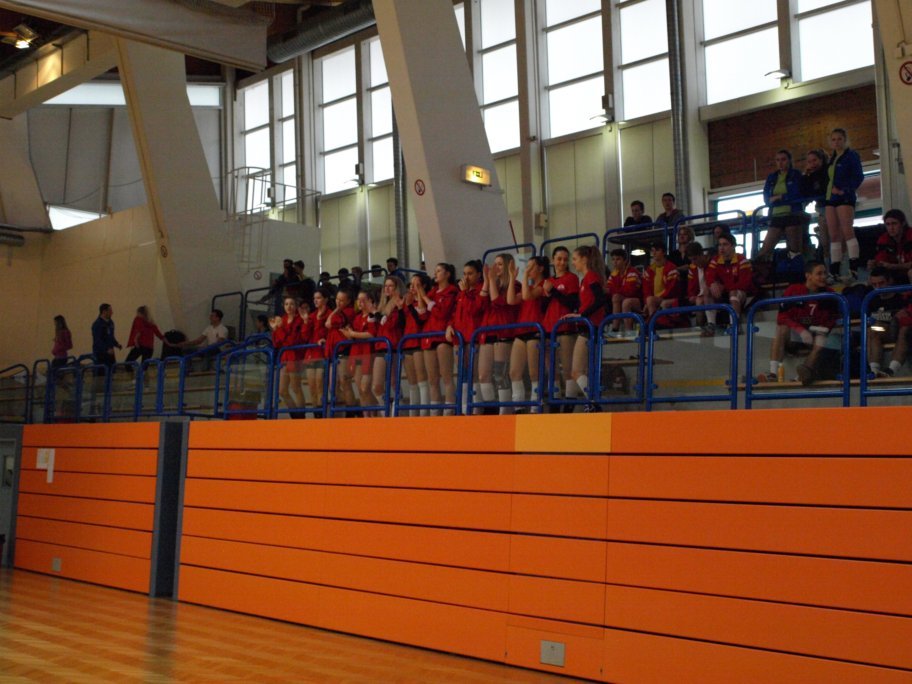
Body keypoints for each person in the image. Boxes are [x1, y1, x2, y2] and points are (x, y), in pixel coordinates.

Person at [758, 260, 840, 385]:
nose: (823, 276)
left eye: (825, 273)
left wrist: (821, 330)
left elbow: (832, 319)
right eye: (819, 274)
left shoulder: (831, 295)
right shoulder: (793, 290)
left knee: (821, 340)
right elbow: (782, 317)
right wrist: (801, 330)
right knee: (781, 329)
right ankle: (773, 374)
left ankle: (802, 374)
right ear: (808, 275)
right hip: (796, 337)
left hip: (816, 337)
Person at [563, 246, 607, 408]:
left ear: (584, 259)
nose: (573, 263)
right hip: (588, 326)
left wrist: (582, 315)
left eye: (575, 259)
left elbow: (600, 300)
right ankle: (592, 403)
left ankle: (594, 402)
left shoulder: (591, 277)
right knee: (583, 371)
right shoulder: (586, 279)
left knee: (577, 371)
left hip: (590, 327)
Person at [478, 254, 520, 412]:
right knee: (483, 375)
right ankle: (490, 410)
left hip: (503, 332)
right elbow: (480, 305)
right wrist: (487, 281)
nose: (496, 268)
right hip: (487, 332)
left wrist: (491, 280)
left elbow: (498, 302)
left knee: (500, 375)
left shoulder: (514, 285)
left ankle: (505, 411)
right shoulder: (491, 284)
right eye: (495, 264)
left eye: (500, 264)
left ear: (509, 266)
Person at [507, 256, 549, 412]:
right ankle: (518, 405)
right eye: (527, 267)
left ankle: (535, 406)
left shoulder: (544, 285)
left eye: (531, 267)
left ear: (540, 268)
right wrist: (512, 278)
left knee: (534, 372)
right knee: (514, 372)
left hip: (535, 331)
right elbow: (511, 300)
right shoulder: (528, 286)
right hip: (521, 331)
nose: (528, 270)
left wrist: (524, 275)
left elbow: (527, 296)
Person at [416, 263, 459, 414]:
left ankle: (449, 412)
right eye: (435, 271)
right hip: (429, 336)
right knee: (432, 379)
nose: (435, 273)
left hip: (442, 336)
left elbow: (442, 313)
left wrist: (425, 297)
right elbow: (423, 315)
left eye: (439, 270)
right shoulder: (433, 292)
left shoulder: (451, 291)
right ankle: (435, 413)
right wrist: (420, 294)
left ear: (447, 274)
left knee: (446, 377)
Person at [824, 128, 864, 280]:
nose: (836, 142)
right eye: (833, 139)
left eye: (839, 139)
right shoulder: (832, 158)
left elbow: (858, 176)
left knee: (847, 230)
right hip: (830, 197)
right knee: (834, 234)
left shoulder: (851, 155)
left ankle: (853, 267)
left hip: (844, 196)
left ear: (845, 140)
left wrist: (844, 190)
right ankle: (834, 270)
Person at [542, 246, 580, 402]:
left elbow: (572, 303)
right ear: (553, 260)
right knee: (552, 370)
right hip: (548, 328)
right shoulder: (549, 281)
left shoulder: (572, 278)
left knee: (567, 369)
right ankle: (555, 401)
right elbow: (543, 307)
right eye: (559, 259)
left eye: (565, 259)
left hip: (565, 328)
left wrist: (554, 291)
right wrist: (547, 294)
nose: (562, 262)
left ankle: (570, 401)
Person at [447, 260, 485, 412]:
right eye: (464, 274)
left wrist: (464, 292)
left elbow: (474, 310)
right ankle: (463, 409)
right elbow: (455, 313)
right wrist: (449, 325)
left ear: (478, 275)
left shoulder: (481, 290)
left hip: (473, 338)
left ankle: (476, 408)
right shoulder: (460, 294)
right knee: (462, 374)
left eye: (470, 274)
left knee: (474, 374)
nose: (466, 277)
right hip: (460, 338)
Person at [758, 149, 806, 261]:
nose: (780, 163)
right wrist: (773, 199)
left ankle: (795, 268)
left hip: (792, 214)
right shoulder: (772, 177)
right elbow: (766, 197)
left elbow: (797, 192)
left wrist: (780, 197)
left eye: (783, 159)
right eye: (778, 160)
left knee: (794, 250)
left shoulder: (796, 174)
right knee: (765, 249)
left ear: (789, 160)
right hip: (776, 215)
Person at [864, 267, 910, 377]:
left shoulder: (902, 299)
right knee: (872, 329)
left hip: (900, 331)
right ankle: (874, 371)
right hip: (882, 332)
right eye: (874, 284)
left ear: (890, 281)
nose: (878, 287)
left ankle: (891, 370)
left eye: (881, 283)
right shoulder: (871, 300)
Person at [704, 232, 753, 335]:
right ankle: (711, 324)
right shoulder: (716, 260)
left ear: (733, 246)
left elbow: (744, 284)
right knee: (707, 290)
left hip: (743, 295)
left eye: (725, 244)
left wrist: (724, 287)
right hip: (725, 293)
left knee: (733, 293)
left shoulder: (742, 260)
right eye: (719, 245)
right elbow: (709, 276)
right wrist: (712, 284)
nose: (721, 248)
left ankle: (734, 325)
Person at [371, 275, 406, 412]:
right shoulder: (381, 306)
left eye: (391, 286)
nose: (387, 288)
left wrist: (377, 315)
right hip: (381, 346)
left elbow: (392, 324)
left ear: (396, 288)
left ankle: (398, 410)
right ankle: (384, 411)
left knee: (394, 382)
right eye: (385, 286)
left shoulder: (398, 304)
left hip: (393, 346)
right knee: (376, 386)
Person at [343, 289, 380, 415]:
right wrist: (348, 334)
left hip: (368, 353)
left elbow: (371, 334)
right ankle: (366, 418)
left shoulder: (373, 315)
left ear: (370, 301)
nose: (360, 302)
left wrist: (353, 334)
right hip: (356, 353)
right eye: (358, 300)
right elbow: (353, 336)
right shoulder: (356, 318)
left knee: (365, 388)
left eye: (363, 300)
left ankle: (376, 414)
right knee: (360, 390)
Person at [401, 273, 432, 415]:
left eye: (416, 284)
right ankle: (413, 414)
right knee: (412, 381)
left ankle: (424, 413)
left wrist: (412, 303)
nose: (412, 287)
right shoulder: (407, 302)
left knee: (421, 379)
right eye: (411, 284)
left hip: (419, 342)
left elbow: (421, 318)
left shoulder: (425, 300)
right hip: (407, 342)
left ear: (423, 286)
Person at [270, 296, 307, 416]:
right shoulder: (283, 320)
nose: (289, 307)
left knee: (296, 387)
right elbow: (276, 343)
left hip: (295, 357)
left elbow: (292, 341)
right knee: (282, 390)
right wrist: (275, 329)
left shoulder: (299, 320)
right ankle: (295, 415)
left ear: (296, 306)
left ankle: (301, 415)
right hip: (284, 357)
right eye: (286, 304)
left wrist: (279, 329)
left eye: (291, 304)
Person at [325, 287, 357, 411]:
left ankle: (351, 411)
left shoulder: (349, 312)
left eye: (342, 300)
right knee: (332, 386)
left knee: (345, 382)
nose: (338, 302)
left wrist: (335, 310)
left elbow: (329, 323)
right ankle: (350, 408)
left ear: (348, 301)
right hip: (333, 351)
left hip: (344, 350)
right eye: (337, 299)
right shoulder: (338, 312)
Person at [304, 287, 332, 416]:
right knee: (312, 387)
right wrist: (305, 322)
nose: (316, 300)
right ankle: (316, 416)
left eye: (319, 298)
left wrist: (326, 339)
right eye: (314, 298)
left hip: (323, 354)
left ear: (325, 299)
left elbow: (332, 333)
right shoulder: (311, 316)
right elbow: (305, 336)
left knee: (320, 384)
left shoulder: (330, 314)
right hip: (311, 353)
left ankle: (322, 415)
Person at [868, 209, 912, 284]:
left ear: (903, 223)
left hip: (908, 272)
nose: (891, 228)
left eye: (894, 224)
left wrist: (893, 266)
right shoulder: (883, 239)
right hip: (894, 274)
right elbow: (881, 261)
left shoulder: (910, 236)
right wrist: (875, 264)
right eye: (888, 224)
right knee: (873, 278)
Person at [606, 248, 642, 337]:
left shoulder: (632, 272)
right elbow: (609, 290)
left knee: (625, 302)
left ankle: (629, 331)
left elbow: (630, 291)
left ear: (625, 260)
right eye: (613, 259)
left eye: (618, 259)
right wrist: (617, 291)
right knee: (616, 297)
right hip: (624, 300)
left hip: (640, 302)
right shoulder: (614, 274)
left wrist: (616, 290)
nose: (615, 262)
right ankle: (615, 329)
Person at [802, 149, 830, 260]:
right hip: (821, 208)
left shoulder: (827, 171)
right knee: (825, 242)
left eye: (814, 160)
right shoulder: (811, 176)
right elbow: (806, 192)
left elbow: (822, 189)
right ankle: (828, 265)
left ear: (821, 160)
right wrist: (806, 175)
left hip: (830, 207)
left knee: (833, 239)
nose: (812, 164)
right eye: (809, 162)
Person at [642, 243, 680, 320]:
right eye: (652, 251)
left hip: (670, 298)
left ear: (664, 252)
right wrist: (647, 302)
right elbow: (646, 290)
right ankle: (654, 323)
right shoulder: (649, 270)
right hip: (655, 300)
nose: (654, 253)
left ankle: (653, 323)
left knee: (650, 300)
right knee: (649, 300)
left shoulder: (671, 268)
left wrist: (653, 299)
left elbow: (672, 289)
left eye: (657, 250)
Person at [685, 242, 712, 330]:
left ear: (701, 254)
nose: (693, 262)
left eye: (695, 259)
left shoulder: (712, 264)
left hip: (712, 294)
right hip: (700, 296)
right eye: (691, 260)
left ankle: (702, 327)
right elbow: (691, 288)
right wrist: (692, 296)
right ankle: (700, 327)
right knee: (698, 300)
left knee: (700, 300)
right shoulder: (692, 268)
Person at [91, 303, 121, 368]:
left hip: (110, 352)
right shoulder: (97, 324)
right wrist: (106, 349)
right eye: (110, 311)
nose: (112, 312)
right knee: (103, 371)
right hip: (101, 353)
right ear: (104, 311)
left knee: (112, 370)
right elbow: (97, 340)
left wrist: (116, 344)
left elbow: (111, 336)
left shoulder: (111, 323)